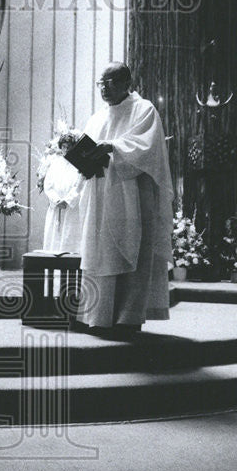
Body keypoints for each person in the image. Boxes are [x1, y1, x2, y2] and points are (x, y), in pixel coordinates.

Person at [76, 62, 173, 336]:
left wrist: (113, 148)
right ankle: (97, 315)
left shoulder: (144, 110)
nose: (104, 89)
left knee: (131, 251)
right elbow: (88, 152)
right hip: (100, 196)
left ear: (126, 82)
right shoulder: (97, 118)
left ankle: (127, 318)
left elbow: (147, 149)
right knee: (99, 252)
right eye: (100, 83)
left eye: (110, 82)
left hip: (132, 197)